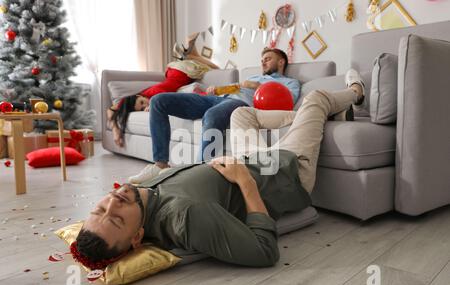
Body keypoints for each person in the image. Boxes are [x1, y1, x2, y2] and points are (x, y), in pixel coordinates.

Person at [71, 69, 365, 270]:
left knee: (241, 113)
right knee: (316, 97)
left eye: (99, 210)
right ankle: (354, 92)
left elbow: (151, 181)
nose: (112, 204)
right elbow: (264, 252)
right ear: (137, 239)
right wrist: (245, 183)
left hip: (254, 158)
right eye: (117, 220)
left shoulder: (144, 197)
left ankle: (310, 117)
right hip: (288, 171)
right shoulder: (186, 217)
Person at [128, 48, 301, 184]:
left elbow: (285, 102)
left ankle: (198, 174)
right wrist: (218, 89)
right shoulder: (255, 76)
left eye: (268, 59)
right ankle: (160, 164)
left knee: (212, 115)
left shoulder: (290, 83)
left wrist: (257, 86)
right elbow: (233, 89)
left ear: (281, 61)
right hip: (217, 98)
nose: (263, 63)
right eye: (262, 60)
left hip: (241, 106)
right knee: (159, 101)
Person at [107, 33, 219, 147]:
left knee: (216, 69)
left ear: (138, 96)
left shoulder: (154, 96)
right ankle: (188, 48)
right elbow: (111, 110)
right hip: (172, 72)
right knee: (203, 61)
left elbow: (110, 110)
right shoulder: (145, 98)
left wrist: (115, 131)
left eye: (142, 102)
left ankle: (188, 54)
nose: (145, 104)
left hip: (181, 73)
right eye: (141, 108)